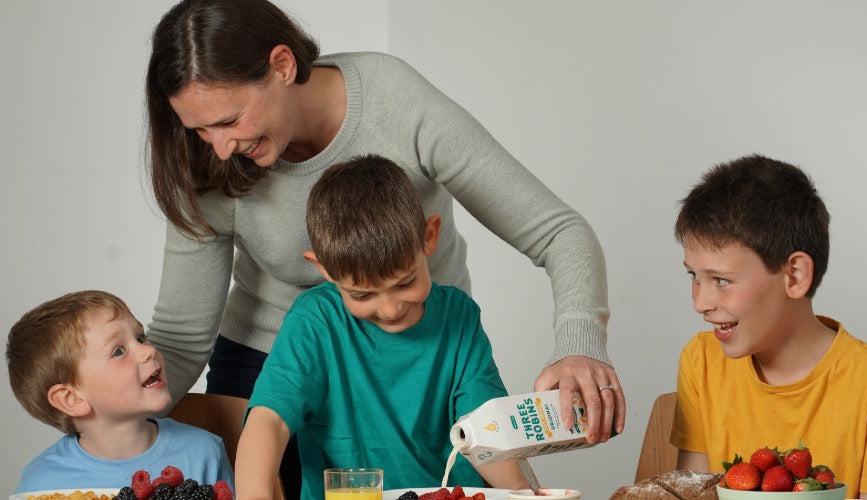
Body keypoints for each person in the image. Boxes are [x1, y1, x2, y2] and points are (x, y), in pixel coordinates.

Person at [145, 1, 622, 497]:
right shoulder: (208, 161)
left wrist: (578, 344)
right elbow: (180, 338)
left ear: (282, 66)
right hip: (274, 360)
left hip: (426, 359)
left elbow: (558, 231)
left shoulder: (394, 102)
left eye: (229, 120)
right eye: (199, 129)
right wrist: (108, 415)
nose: (219, 148)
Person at [235, 155, 529, 498]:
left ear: (429, 237)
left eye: (405, 283)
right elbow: (268, 422)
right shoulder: (314, 323)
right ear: (324, 268)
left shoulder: (459, 318)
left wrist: (524, 493)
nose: (390, 309)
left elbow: (486, 433)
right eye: (362, 294)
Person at [669, 155, 867, 499]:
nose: (700, 302)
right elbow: (694, 493)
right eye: (694, 276)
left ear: (795, 276)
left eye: (722, 280)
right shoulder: (701, 361)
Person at [6, 290, 234, 493]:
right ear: (72, 399)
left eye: (140, 338)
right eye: (118, 351)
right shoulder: (39, 483)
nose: (147, 351)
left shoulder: (204, 452)